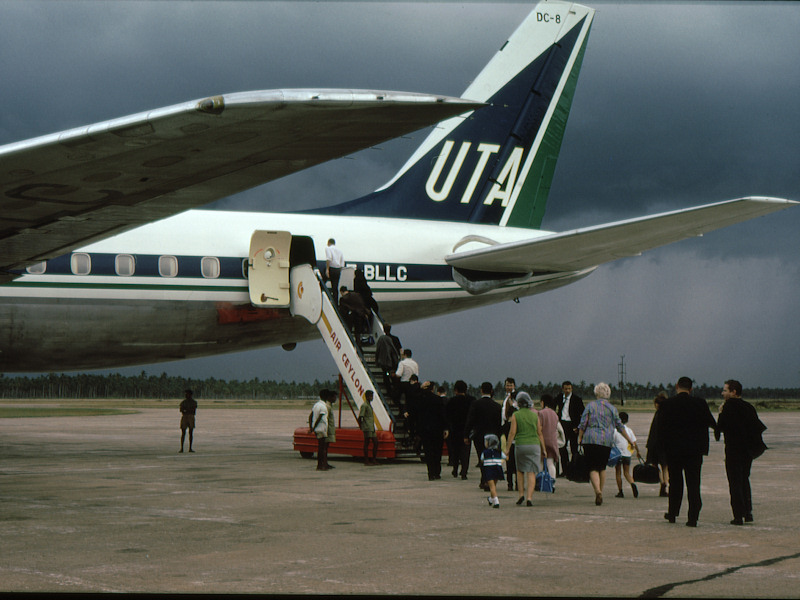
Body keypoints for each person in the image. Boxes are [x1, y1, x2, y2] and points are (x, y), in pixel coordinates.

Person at [657, 376, 716, 527]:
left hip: (673, 450)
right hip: (694, 451)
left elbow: (660, 427)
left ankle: (673, 513)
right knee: (694, 483)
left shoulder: (667, 404)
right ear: (691, 389)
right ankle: (693, 517)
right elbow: (711, 423)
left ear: (677, 386)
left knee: (675, 482)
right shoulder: (700, 403)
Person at [715, 379, 767, 525]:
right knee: (744, 480)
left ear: (734, 392)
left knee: (735, 483)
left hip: (733, 451)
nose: (722, 393)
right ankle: (748, 512)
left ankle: (738, 515)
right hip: (747, 452)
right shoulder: (749, 407)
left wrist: (720, 413)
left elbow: (718, 432)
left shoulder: (727, 408)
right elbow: (757, 429)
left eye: (725, 390)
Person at [577, 382, 635, 506]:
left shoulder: (590, 406)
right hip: (606, 441)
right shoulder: (612, 408)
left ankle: (597, 491)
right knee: (602, 467)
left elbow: (583, 423)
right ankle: (600, 491)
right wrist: (629, 440)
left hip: (590, 439)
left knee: (592, 467)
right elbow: (619, 426)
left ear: (596, 393)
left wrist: (580, 437)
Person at [504, 391, 546, 506]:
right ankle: (529, 498)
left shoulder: (515, 415)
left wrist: (507, 448)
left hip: (520, 445)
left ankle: (521, 494)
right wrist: (544, 449)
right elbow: (539, 433)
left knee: (520, 470)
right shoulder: (535, 415)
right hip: (534, 445)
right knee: (531, 472)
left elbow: (512, 433)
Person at [464, 381, 502, 491]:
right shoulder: (497, 406)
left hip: (479, 436)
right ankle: (487, 480)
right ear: (491, 391)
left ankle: (484, 479)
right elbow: (499, 423)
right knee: (491, 458)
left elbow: (470, 420)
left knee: (482, 457)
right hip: (493, 436)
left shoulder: (476, 404)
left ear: (481, 390)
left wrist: (466, 435)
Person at [414, 381, 449, 480]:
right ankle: (437, 472)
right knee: (437, 451)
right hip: (437, 429)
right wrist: (445, 428)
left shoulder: (420, 399)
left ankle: (430, 473)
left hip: (425, 429)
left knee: (428, 452)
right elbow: (443, 415)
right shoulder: (437, 399)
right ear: (433, 389)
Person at [445, 380, 475, 479]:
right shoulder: (472, 400)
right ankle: (464, 472)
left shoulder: (451, 401)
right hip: (467, 430)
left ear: (455, 390)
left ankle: (455, 469)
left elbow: (447, 416)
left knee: (455, 451)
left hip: (455, 430)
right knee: (465, 453)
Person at [555, 381, 584, 478]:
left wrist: (578, 426)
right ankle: (565, 470)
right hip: (562, 424)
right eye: (565, 389)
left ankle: (574, 470)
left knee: (573, 448)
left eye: (569, 389)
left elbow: (582, 414)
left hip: (573, 425)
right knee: (562, 447)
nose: (567, 390)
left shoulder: (577, 399)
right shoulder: (559, 397)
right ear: (562, 389)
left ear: (571, 389)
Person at [613, 411, 642, 498]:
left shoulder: (615, 431)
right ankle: (632, 483)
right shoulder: (629, 430)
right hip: (627, 454)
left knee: (618, 472)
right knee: (627, 473)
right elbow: (634, 442)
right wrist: (638, 452)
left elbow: (611, 442)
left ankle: (620, 491)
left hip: (618, 454)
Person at [646, 392, 670, 497]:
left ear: (657, 404)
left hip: (655, 446)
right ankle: (666, 485)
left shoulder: (657, 415)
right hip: (665, 445)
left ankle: (662, 483)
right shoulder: (667, 415)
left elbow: (653, 433)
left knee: (655, 466)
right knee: (665, 467)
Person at [500, 377, 518, 491]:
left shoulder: (516, 398)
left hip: (514, 426)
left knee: (514, 456)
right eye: (507, 385)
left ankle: (516, 482)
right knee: (508, 455)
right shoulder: (506, 398)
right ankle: (510, 482)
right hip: (506, 426)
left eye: (511, 385)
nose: (509, 387)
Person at [538, 394, 560, 483]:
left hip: (542, 441)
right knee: (550, 463)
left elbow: (539, 428)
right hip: (552, 441)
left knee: (540, 462)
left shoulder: (541, 413)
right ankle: (552, 483)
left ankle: (540, 482)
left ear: (543, 402)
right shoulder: (555, 414)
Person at [481, 434, 506, 508]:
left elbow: (482, 460)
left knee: (491, 487)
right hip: (497, 469)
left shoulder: (485, 452)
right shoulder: (499, 452)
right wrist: (500, 461)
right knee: (494, 486)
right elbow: (505, 457)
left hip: (489, 470)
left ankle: (496, 501)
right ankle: (491, 499)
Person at [309, 390, 330, 471]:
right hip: (321, 429)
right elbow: (320, 417)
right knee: (322, 448)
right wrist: (313, 427)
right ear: (326, 397)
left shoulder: (316, 405)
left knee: (320, 448)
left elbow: (311, 416)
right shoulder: (323, 407)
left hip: (317, 429)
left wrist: (311, 427)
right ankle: (320, 465)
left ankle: (320, 465)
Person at [358, 390, 379, 466]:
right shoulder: (364, 405)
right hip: (367, 427)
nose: (371, 397)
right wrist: (361, 426)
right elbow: (360, 417)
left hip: (371, 427)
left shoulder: (369, 405)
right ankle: (366, 460)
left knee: (376, 442)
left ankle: (373, 459)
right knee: (367, 443)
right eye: (370, 396)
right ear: (367, 396)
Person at [325, 238, 344, 302]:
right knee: (335, 287)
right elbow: (342, 264)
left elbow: (328, 259)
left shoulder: (328, 248)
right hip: (338, 270)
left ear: (329, 242)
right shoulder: (340, 251)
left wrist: (327, 270)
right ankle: (335, 303)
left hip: (331, 268)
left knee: (323, 282)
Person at [179, 389, 198, 453]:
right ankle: (182, 448)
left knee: (190, 433)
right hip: (186, 417)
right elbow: (181, 410)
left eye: (187, 394)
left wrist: (186, 410)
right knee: (183, 433)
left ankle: (190, 448)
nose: (186, 395)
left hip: (190, 417)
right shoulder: (183, 402)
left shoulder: (193, 402)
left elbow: (193, 410)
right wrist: (187, 410)